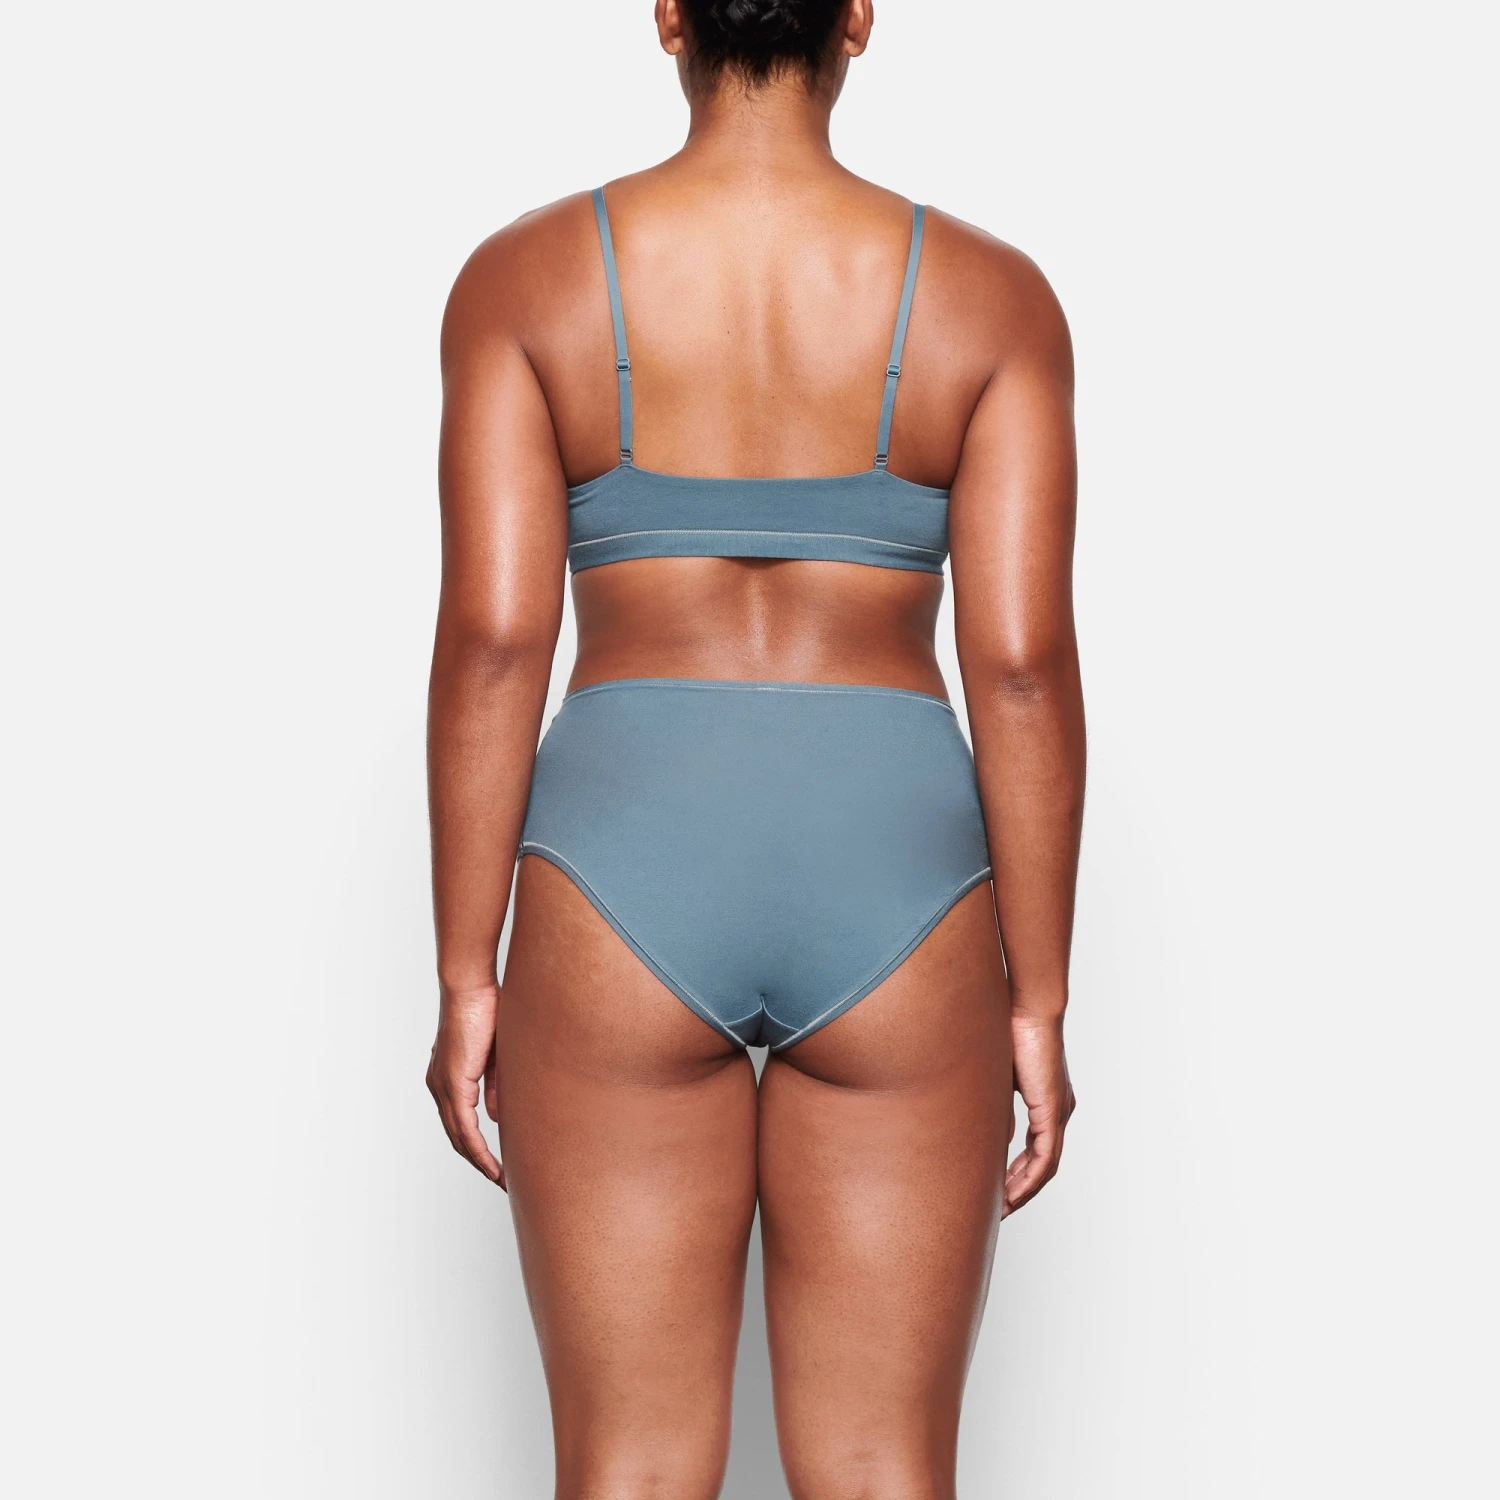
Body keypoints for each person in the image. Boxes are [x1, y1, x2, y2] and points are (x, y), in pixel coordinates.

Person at [425, 1, 1084, 1494]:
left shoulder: (525, 281)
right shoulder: (993, 299)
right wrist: (1038, 1001)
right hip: (897, 885)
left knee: (629, 1466)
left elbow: (496, 640)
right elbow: (1021, 667)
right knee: (883, 1468)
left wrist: (469, 972)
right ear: (859, 17)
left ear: (669, 17)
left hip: (621, 879)